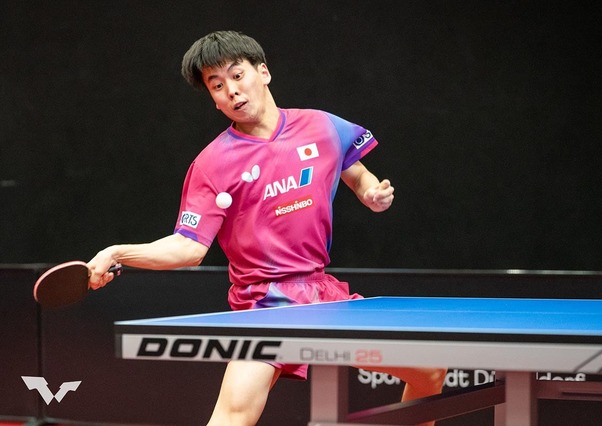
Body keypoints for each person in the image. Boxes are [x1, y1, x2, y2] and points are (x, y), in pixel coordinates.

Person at [87, 30, 446, 426]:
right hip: (265, 303)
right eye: (217, 86)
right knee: (233, 416)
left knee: (430, 370)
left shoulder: (322, 126)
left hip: (323, 295)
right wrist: (118, 252)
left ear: (263, 72)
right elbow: (188, 248)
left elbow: (357, 173)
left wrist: (370, 192)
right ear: (214, 99)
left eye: (237, 75)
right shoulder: (211, 164)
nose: (231, 91)